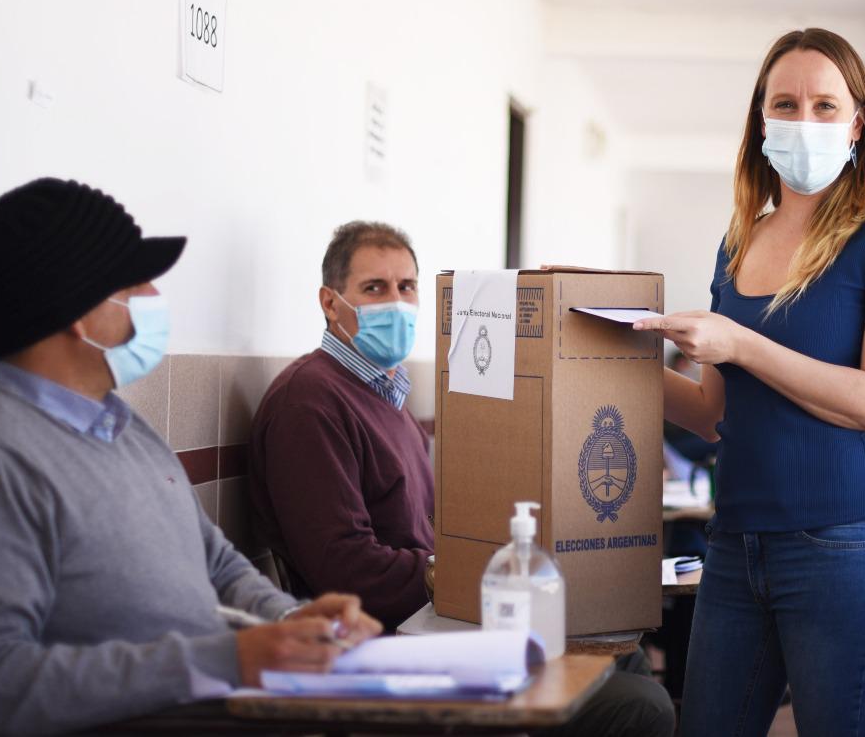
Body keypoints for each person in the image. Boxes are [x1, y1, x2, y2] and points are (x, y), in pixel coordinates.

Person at [0, 178, 381, 737]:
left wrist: (291, 620)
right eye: (136, 286)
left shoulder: (123, 424)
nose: (154, 301)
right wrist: (225, 660)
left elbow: (217, 561)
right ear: (79, 313)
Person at [248, 220, 675, 737]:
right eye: (374, 288)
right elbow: (344, 568)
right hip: (387, 648)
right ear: (330, 302)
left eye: (406, 287)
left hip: (438, 623)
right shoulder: (310, 403)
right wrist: (462, 577)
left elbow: (428, 530)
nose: (396, 303)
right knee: (640, 704)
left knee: (623, 658)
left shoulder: (387, 395)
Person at [634, 28, 865, 736]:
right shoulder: (738, 242)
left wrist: (740, 341)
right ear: (761, 122)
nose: (805, 120)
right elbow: (713, 413)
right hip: (735, 548)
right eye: (787, 103)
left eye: (825, 106)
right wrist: (611, 361)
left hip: (844, 549)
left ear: (857, 123)